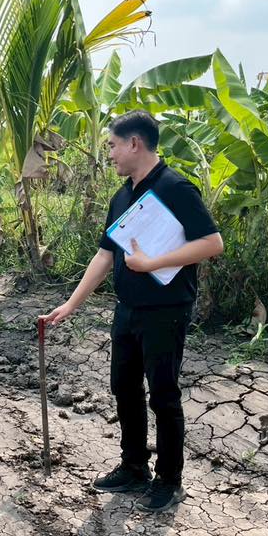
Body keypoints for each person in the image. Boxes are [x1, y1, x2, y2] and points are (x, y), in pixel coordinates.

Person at [41, 111, 224, 513]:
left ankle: (170, 480)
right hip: (127, 310)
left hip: (166, 310)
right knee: (124, 388)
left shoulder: (176, 188)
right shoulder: (123, 196)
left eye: (112, 145)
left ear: (134, 144)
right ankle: (134, 466)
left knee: (163, 395)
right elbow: (105, 254)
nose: (109, 154)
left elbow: (212, 243)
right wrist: (72, 304)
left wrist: (154, 263)